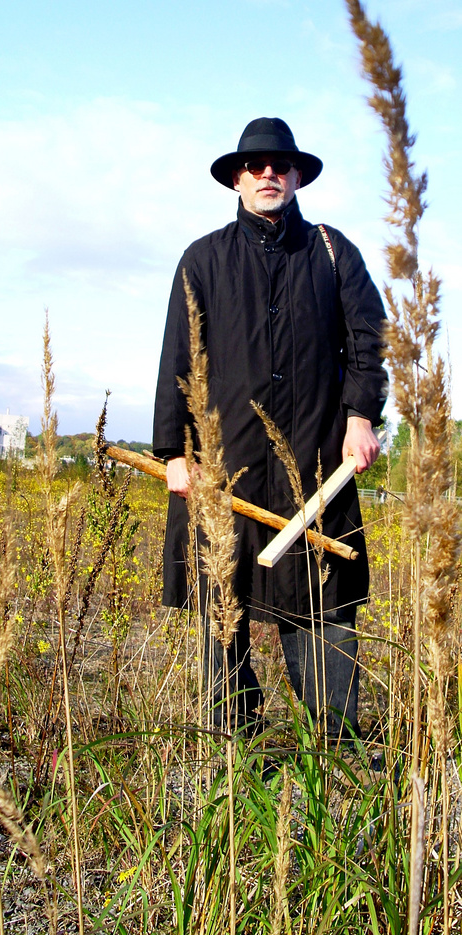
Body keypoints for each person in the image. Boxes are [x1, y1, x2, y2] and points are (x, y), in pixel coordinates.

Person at [153, 117, 387, 742]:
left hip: (317, 468)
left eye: (280, 165)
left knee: (325, 609)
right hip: (223, 470)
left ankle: (335, 753)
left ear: (297, 176)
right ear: (236, 177)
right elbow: (181, 356)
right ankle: (236, 753)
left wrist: (361, 415)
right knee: (221, 613)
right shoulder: (201, 260)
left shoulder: (334, 253)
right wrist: (175, 452)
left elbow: (369, 340)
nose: (268, 174)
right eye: (255, 165)